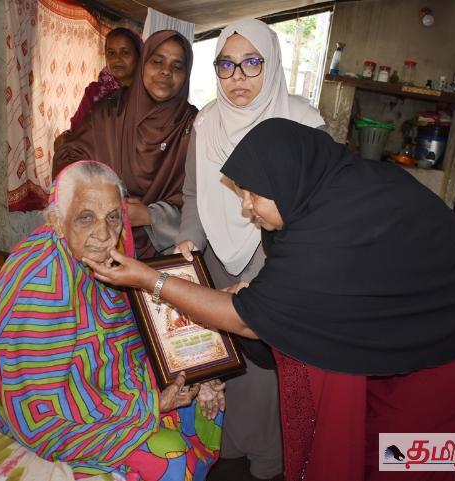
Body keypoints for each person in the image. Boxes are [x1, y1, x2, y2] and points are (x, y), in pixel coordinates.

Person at [85, 119, 455, 481]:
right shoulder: (324, 192)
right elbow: (287, 296)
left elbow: (248, 320)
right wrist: (261, 299)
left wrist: (150, 279)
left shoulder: (330, 231)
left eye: (253, 194)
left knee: (405, 450)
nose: (246, 208)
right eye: (241, 193)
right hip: (413, 319)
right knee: (375, 430)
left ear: (287, 178)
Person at [0, 161, 224, 480]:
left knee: (201, 399)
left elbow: (129, 329)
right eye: (86, 217)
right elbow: (39, 404)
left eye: (113, 217)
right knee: (173, 461)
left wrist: (197, 365)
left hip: (105, 378)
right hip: (56, 411)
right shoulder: (40, 283)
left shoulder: (109, 255)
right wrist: (150, 404)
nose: (104, 234)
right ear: (57, 221)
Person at [174, 18, 324, 481]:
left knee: (264, 368)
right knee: (220, 358)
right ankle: (225, 448)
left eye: (251, 63)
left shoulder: (304, 122)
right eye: (226, 65)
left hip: (278, 258)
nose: (238, 77)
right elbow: (194, 195)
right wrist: (190, 240)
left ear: (272, 63)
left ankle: (268, 462)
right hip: (216, 258)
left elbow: (316, 207)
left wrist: (266, 272)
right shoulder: (205, 123)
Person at [53, 30, 195, 259]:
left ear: (186, 75)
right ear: (143, 64)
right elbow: (69, 158)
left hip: (168, 252)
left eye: (177, 66)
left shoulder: (194, 126)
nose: (166, 71)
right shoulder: (108, 111)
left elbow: (205, 200)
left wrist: (152, 216)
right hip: (99, 244)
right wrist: (103, 201)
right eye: (157, 61)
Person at [54, 28, 143, 151]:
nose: (117, 59)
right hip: (98, 159)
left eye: (125, 52)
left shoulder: (147, 94)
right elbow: (77, 130)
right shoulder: (95, 92)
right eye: (111, 53)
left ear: (139, 56)